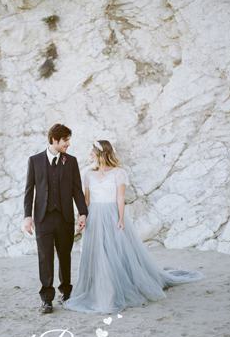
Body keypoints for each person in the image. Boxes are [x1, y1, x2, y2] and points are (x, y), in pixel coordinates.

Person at [62, 140, 203, 314]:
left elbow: (120, 198)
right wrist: (82, 217)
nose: (90, 154)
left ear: (101, 153)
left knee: (115, 251)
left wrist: (121, 218)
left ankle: (116, 288)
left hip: (112, 213)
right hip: (94, 216)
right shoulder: (88, 174)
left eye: (92, 152)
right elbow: (86, 200)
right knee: (97, 252)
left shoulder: (118, 173)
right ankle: (99, 289)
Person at [23, 124, 88, 314]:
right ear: (54, 140)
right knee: (45, 258)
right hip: (42, 218)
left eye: (68, 140)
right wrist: (27, 216)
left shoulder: (72, 161)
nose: (68, 144)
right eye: (65, 140)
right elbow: (29, 191)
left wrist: (82, 213)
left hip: (65, 217)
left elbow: (77, 189)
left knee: (65, 256)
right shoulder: (34, 161)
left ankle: (66, 292)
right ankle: (47, 299)